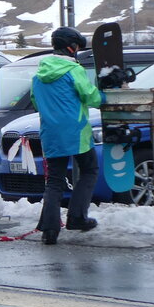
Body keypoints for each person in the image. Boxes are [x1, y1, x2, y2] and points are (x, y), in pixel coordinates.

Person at [32, 27, 107, 244]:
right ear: (71, 47)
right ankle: (77, 218)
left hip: (51, 133)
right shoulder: (74, 70)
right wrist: (106, 96)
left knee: (54, 181)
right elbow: (90, 96)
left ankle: (50, 230)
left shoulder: (39, 75)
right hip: (76, 132)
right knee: (89, 170)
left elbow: (36, 103)